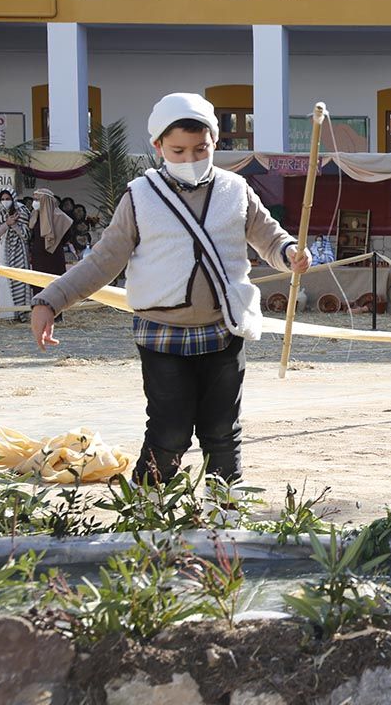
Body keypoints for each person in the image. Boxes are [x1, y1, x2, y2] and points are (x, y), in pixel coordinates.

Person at [30, 92, 310, 486]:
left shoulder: (236, 190)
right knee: (170, 431)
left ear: (215, 142)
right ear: (159, 147)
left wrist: (290, 252)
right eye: (178, 150)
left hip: (223, 329)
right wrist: (50, 301)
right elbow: (103, 261)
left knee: (222, 431)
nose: (190, 159)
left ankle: (225, 509)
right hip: (161, 335)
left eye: (201, 149)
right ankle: (149, 505)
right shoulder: (139, 197)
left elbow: (268, 236)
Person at [27, 189, 73, 312]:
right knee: (39, 286)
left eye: (37, 199)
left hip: (54, 257)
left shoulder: (60, 217)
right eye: (34, 199)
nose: (34, 202)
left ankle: (56, 314)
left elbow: (67, 236)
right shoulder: (35, 216)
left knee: (54, 286)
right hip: (38, 257)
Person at [0, 188, 32, 321]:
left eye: (8, 199)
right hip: (5, 250)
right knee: (5, 281)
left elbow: (26, 235)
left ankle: (22, 313)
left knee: (20, 279)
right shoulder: (0, 212)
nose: (5, 201)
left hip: (19, 249)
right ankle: (7, 314)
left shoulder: (23, 210)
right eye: (3, 199)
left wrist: (14, 226)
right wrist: (7, 224)